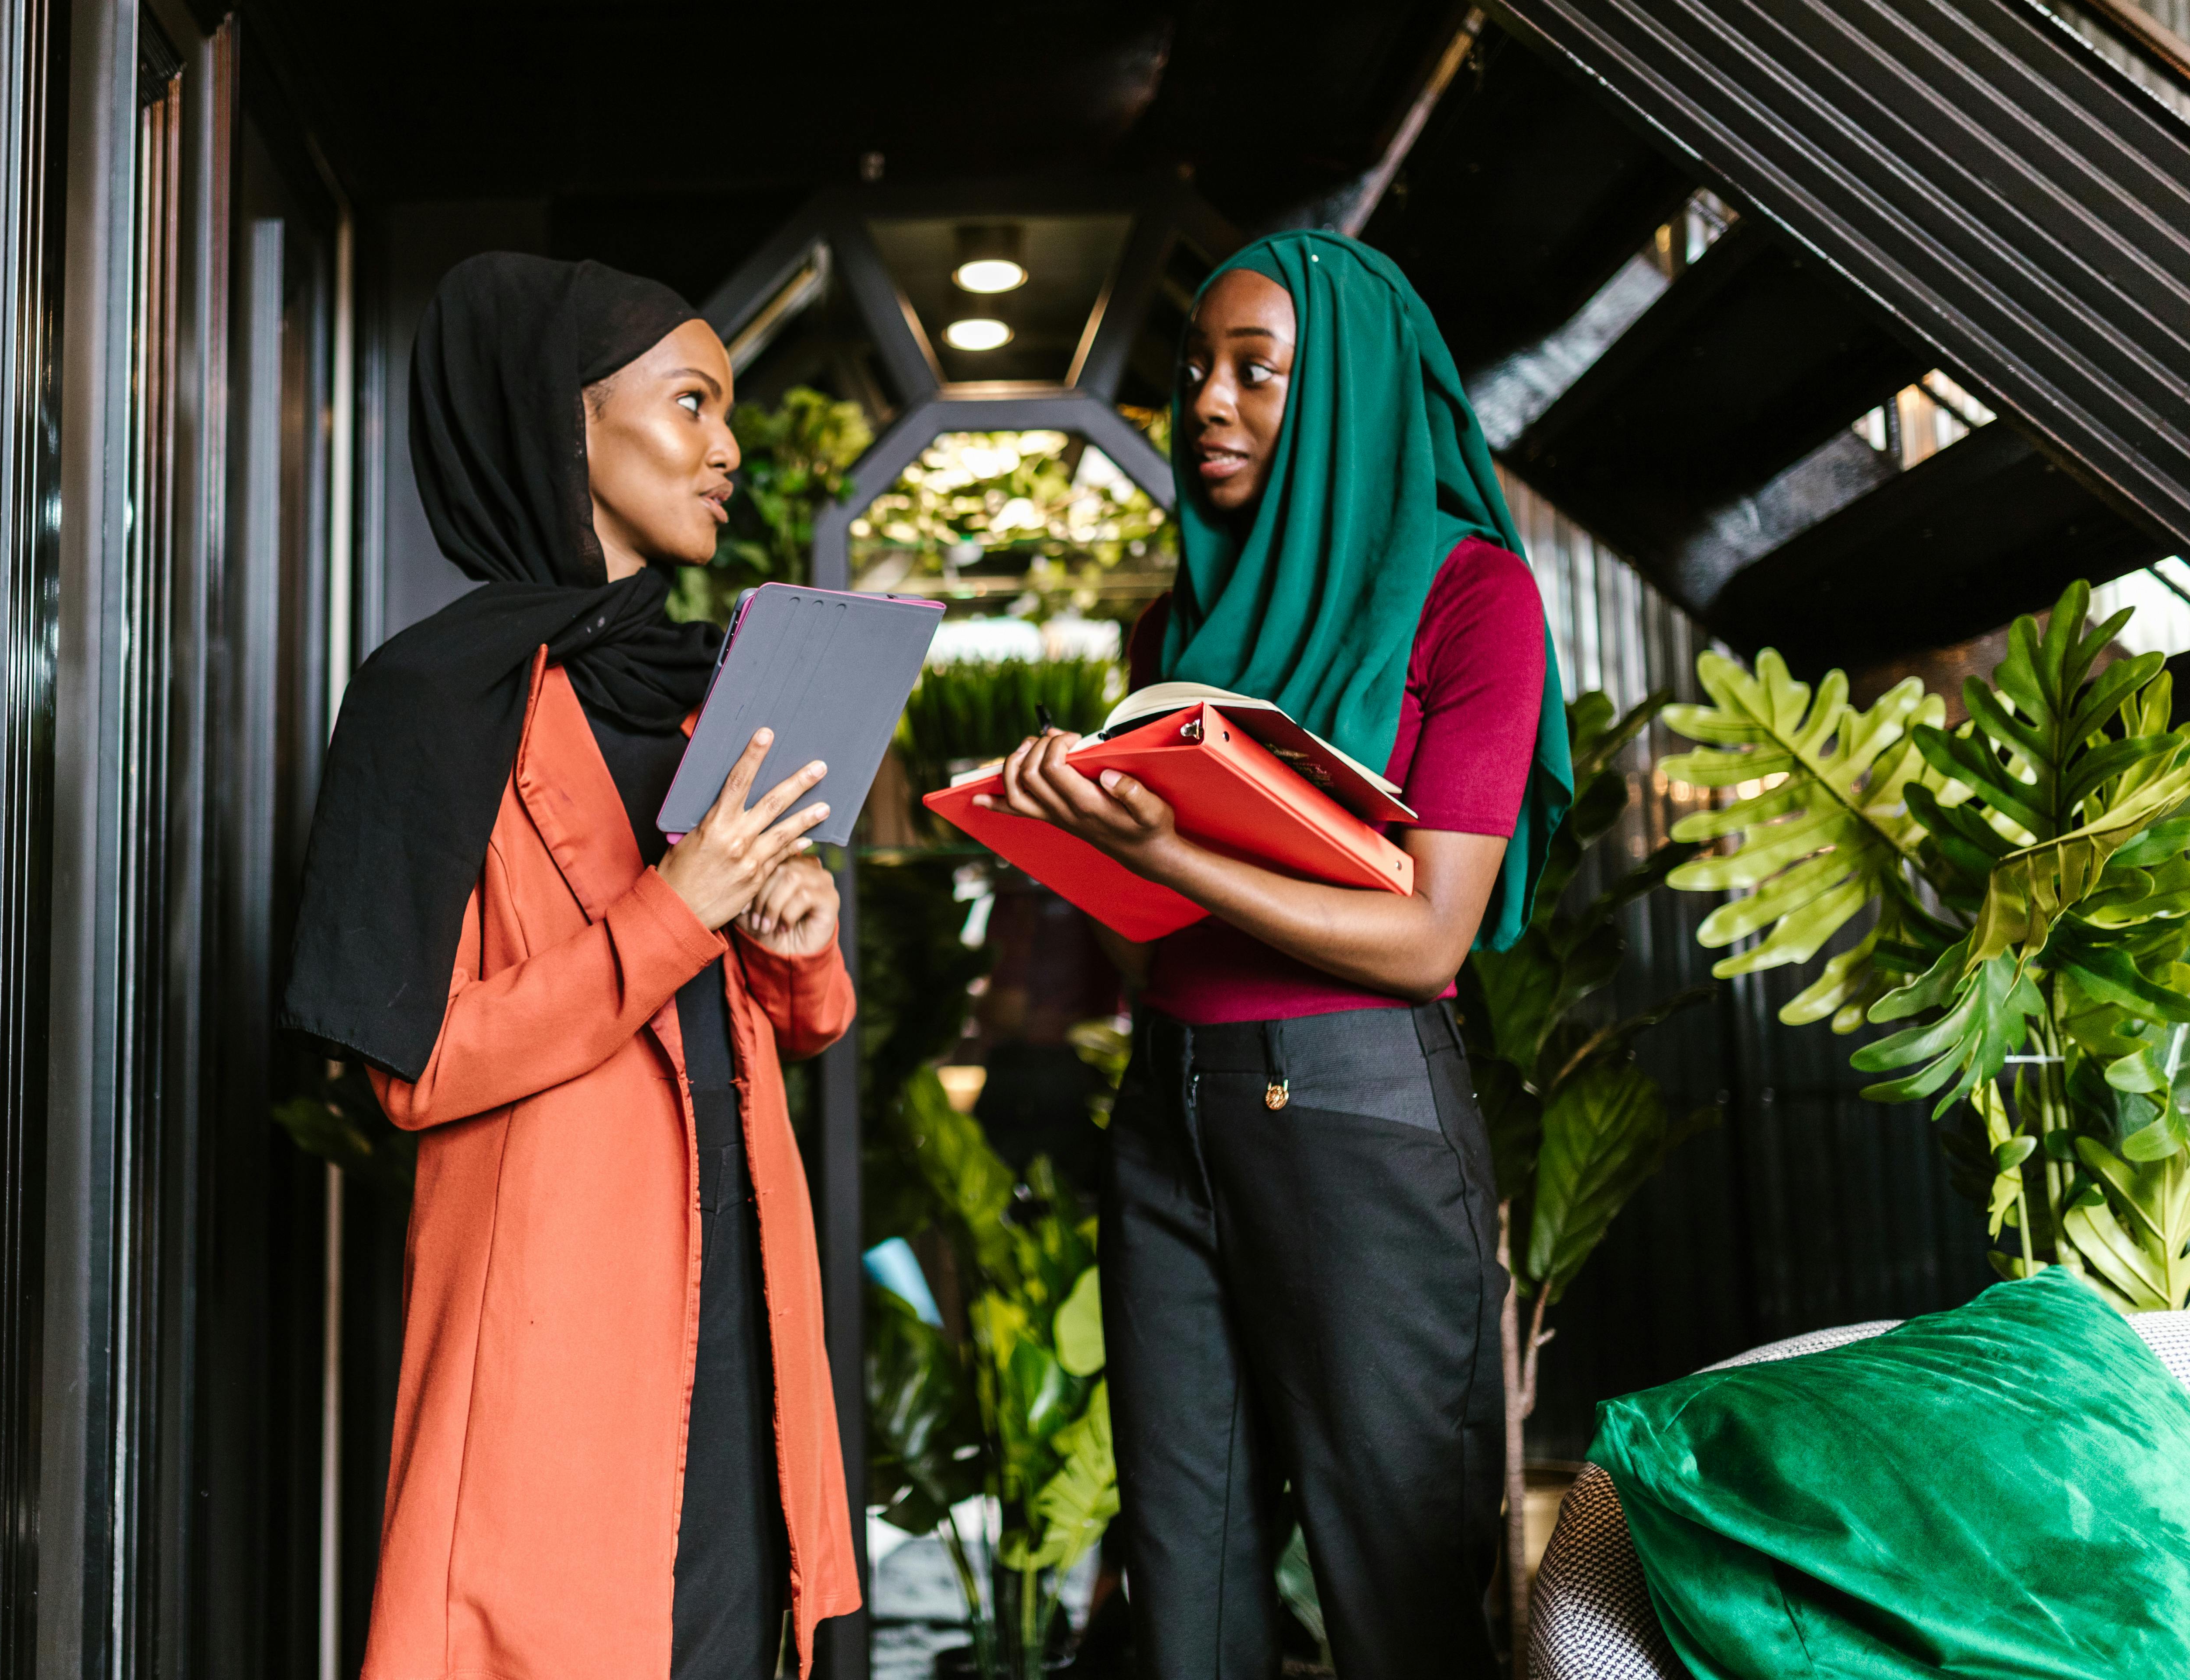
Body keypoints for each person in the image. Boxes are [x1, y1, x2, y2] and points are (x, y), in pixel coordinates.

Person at [978, 229, 1572, 1677]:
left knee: (1398, 1601)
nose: (1208, 404)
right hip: (1169, 1111)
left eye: (1257, 371)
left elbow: (1428, 931)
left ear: (1353, 389)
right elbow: (1167, 939)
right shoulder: (1180, 621)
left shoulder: (1471, 594)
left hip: (1356, 1113)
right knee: (1188, 1599)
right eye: (1194, 369)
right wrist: (1062, 830)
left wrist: (1164, 849)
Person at [281, 254, 861, 1680]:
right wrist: (675, 909)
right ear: (568, 424)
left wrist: (793, 934)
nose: (725, 446)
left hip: (733, 1292)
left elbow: (785, 1026)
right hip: (556, 1328)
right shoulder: (429, 701)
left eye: (726, 412)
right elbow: (409, 1068)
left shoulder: (706, 686)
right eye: (689, 404)